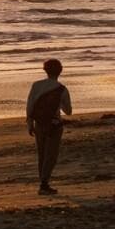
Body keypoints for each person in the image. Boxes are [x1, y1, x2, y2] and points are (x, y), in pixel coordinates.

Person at [25, 58, 72, 195]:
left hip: (39, 123)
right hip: (54, 125)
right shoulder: (62, 89)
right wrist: (59, 104)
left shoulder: (36, 85)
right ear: (60, 71)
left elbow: (30, 106)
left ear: (45, 70)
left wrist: (29, 124)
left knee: (42, 154)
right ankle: (44, 184)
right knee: (51, 155)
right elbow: (68, 111)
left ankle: (43, 182)